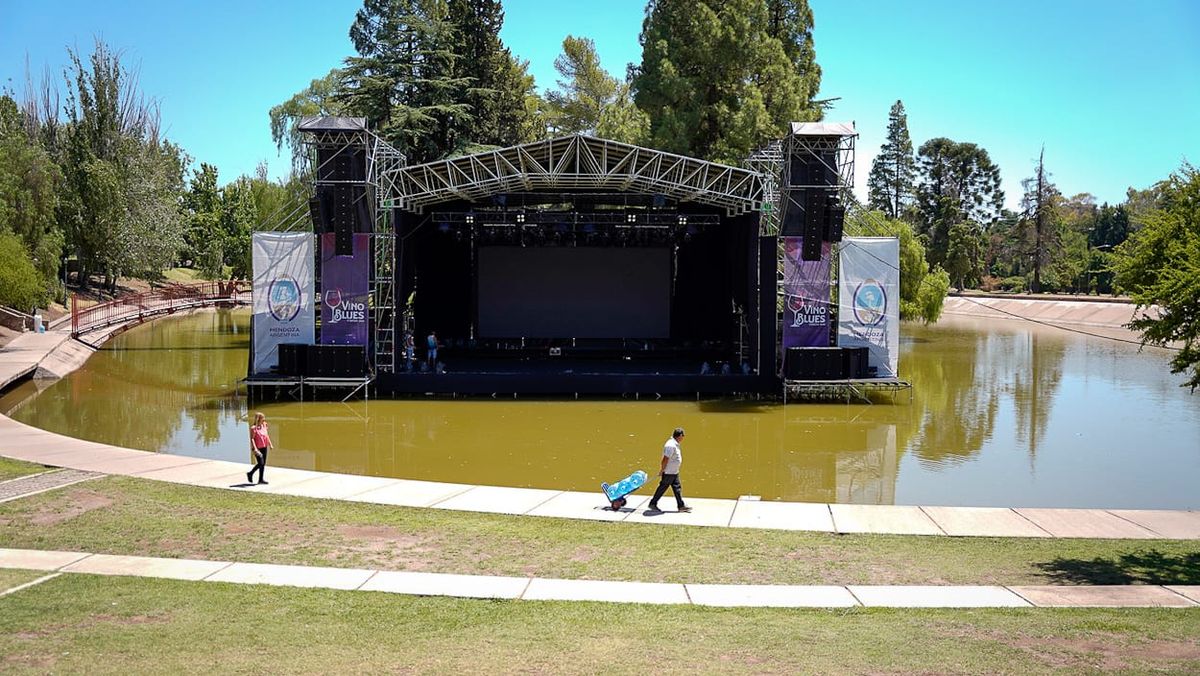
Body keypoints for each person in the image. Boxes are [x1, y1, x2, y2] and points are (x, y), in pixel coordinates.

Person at [647, 427, 691, 513]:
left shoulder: (675, 444)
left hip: (674, 472)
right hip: (669, 472)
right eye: (683, 436)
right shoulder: (670, 445)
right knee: (663, 487)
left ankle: (681, 506)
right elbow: (665, 459)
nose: (683, 438)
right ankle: (653, 503)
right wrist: (662, 470)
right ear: (680, 436)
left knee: (677, 488)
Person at [247, 412, 273, 485]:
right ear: (258, 419)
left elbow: (266, 435)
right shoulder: (253, 428)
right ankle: (250, 473)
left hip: (264, 447)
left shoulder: (264, 425)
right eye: (262, 418)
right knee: (260, 463)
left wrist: (270, 444)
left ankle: (261, 479)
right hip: (257, 448)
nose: (264, 419)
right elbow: (252, 439)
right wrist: (255, 449)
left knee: (263, 464)